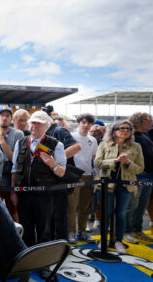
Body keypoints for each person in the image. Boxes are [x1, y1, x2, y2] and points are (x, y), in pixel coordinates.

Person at [11, 111, 67, 248]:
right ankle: (28, 259)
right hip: (23, 195)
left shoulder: (56, 145)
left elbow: (62, 173)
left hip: (45, 196)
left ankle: (44, 264)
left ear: (46, 126)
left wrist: (53, 164)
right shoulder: (21, 142)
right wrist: (13, 192)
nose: (34, 126)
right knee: (26, 230)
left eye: (39, 123)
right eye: (33, 122)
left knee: (44, 231)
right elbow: (15, 169)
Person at [94, 120, 144, 254]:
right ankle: (103, 240)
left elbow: (140, 169)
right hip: (106, 184)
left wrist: (127, 162)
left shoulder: (136, 146)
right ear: (114, 131)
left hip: (126, 185)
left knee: (121, 214)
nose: (125, 131)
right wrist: (115, 161)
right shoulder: (104, 144)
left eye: (128, 128)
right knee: (107, 212)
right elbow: (97, 163)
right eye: (122, 128)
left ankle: (118, 241)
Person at [43, 106, 81, 242]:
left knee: (59, 215)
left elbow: (77, 147)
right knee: (51, 215)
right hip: (48, 180)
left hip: (59, 179)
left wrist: (56, 160)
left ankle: (61, 244)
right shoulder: (44, 133)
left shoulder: (58, 130)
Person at [0, 106, 24, 221]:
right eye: (2, 115)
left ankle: (17, 237)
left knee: (13, 211)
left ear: (11, 119)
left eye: (7, 116)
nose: (4, 118)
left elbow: (15, 160)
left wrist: (2, 142)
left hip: (10, 180)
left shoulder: (18, 134)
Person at [67, 113, 97, 244]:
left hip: (88, 175)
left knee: (85, 206)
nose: (86, 125)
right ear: (78, 123)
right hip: (74, 175)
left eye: (88, 123)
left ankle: (82, 231)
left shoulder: (93, 140)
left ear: (91, 125)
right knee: (72, 206)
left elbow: (94, 158)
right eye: (83, 122)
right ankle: (71, 232)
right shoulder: (71, 136)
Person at [125, 113, 153, 244]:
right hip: (136, 176)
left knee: (142, 205)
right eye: (148, 120)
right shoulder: (131, 136)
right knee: (132, 205)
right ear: (139, 121)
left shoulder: (146, 134)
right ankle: (126, 231)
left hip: (148, 176)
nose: (151, 122)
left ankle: (137, 229)